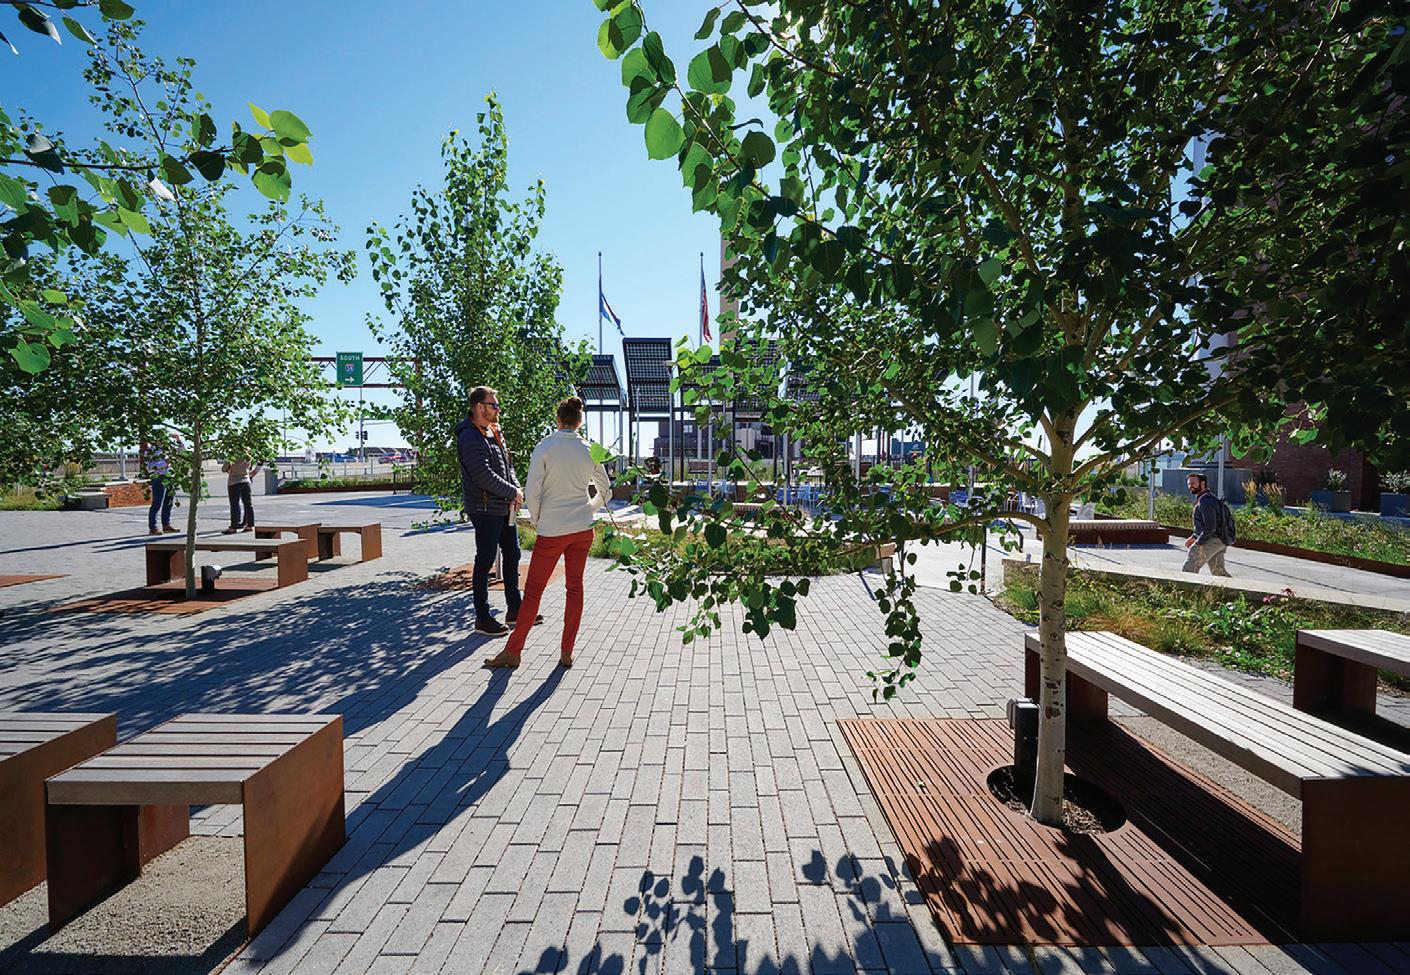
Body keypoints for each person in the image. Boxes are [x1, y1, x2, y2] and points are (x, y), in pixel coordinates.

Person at [485, 396, 610, 669]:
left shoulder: (545, 447)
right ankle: (567, 652)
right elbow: (606, 489)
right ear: (579, 422)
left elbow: (532, 490)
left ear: (558, 420)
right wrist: (589, 509)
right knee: (575, 588)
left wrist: (538, 518)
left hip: (552, 529)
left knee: (533, 593)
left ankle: (513, 651)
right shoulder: (591, 450)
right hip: (582, 529)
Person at [457, 386, 526, 635]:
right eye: (493, 405)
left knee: (513, 554)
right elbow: (482, 475)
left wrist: (515, 489)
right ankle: (483, 617)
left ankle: (515, 609)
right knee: (485, 560)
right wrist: (512, 492)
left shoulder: (494, 430)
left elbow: (508, 466)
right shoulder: (469, 436)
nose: (498, 409)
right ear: (479, 407)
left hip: (503, 506)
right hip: (484, 508)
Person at [1182, 472, 1232, 577]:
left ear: (1202, 484)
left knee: (1189, 569)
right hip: (1220, 540)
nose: (1190, 486)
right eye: (1189, 484)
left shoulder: (1206, 502)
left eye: (1193, 483)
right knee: (1219, 572)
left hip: (1211, 540)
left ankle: (1185, 588)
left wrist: (1198, 543)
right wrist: (1194, 536)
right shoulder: (1209, 499)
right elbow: (1207, 524)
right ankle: (1236, 588)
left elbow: (1210, 527)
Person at [143, 432, 182, 536]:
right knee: (157, 503)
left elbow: (182, 452)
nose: (162, 441)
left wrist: (178, 440)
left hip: (170, 476)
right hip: (159, 477)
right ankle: (153, 528)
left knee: (169, 502)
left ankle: (166, 525)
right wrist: (165, 462)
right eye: (160, 439)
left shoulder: (168, 449)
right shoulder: (150, 451)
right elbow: (149, 467)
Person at [221, 455, 261, 534]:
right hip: (246, 481)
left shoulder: (232, 455)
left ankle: (233, 527)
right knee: (248, 504)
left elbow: (223, 469)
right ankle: (250, 525)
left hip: (234, 481)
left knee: (234, 505)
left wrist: (230, 469)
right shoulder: (248, 456)